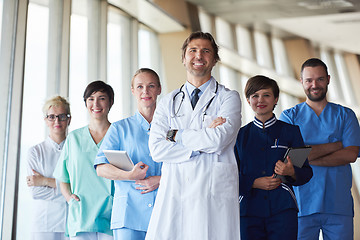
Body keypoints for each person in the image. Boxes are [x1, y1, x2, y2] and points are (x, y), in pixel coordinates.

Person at [146, 31, 242, 240]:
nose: (199, 56)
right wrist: (205, 137)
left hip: (212, 194)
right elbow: (156, 149)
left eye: (206, 51)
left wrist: (175, 135)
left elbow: (219, 140)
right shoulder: (167, 102)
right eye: (193, 51)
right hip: (175, 191)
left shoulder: (228, 98)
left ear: (214, 59)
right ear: (183, 58)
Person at [279, 58, 360, 240]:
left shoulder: (346, 115)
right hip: (301, 206)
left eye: (320, 79)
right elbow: (290, 159)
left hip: (338, 205)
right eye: (309, 80)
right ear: (301, 82)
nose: (314, 85)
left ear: (329, 79)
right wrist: (336, 145)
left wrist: (306, 156)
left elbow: (351, 154)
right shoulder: (289, 117)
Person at [234, 75, 313, 240]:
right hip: (248, 212)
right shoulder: (239, 136)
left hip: (282, 210)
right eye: (255, 95)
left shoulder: (291, 132)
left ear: (276, 99)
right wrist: (254, 182)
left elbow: (306, 173)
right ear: (248, 100)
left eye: (266, 95)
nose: (260, 100)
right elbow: (229, 176)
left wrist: (291, 171)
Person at [94, 68, 162, 240]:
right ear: (133, 91)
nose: (145, 91)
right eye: (139, 87)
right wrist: (129, 175)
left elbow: (185, 166)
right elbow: (101, 168)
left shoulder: (171, 129)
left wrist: (160, 179)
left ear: (159, 89)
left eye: (151, 86)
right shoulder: (119, 129)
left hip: (164, 213)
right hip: (128, 216)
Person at [53, 81, 115, 240]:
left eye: (102, 98)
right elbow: (63, 177)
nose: (96, 104)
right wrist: (69, 198)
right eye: (91, 99)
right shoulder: (74, 138)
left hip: (111, 216)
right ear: (85, 103)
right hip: (81, 216)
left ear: (110, 102)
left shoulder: (118, 135)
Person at [26, 96, 71, 240]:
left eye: (61, 116)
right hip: (44, 225)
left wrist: (45, 181)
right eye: (51, 117)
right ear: (45, 120)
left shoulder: (76, 150)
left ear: (69, 119)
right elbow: (36, 192)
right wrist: (67, 191)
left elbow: (80, 187)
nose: (56, 121)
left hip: (71, 223)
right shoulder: (35, 152)